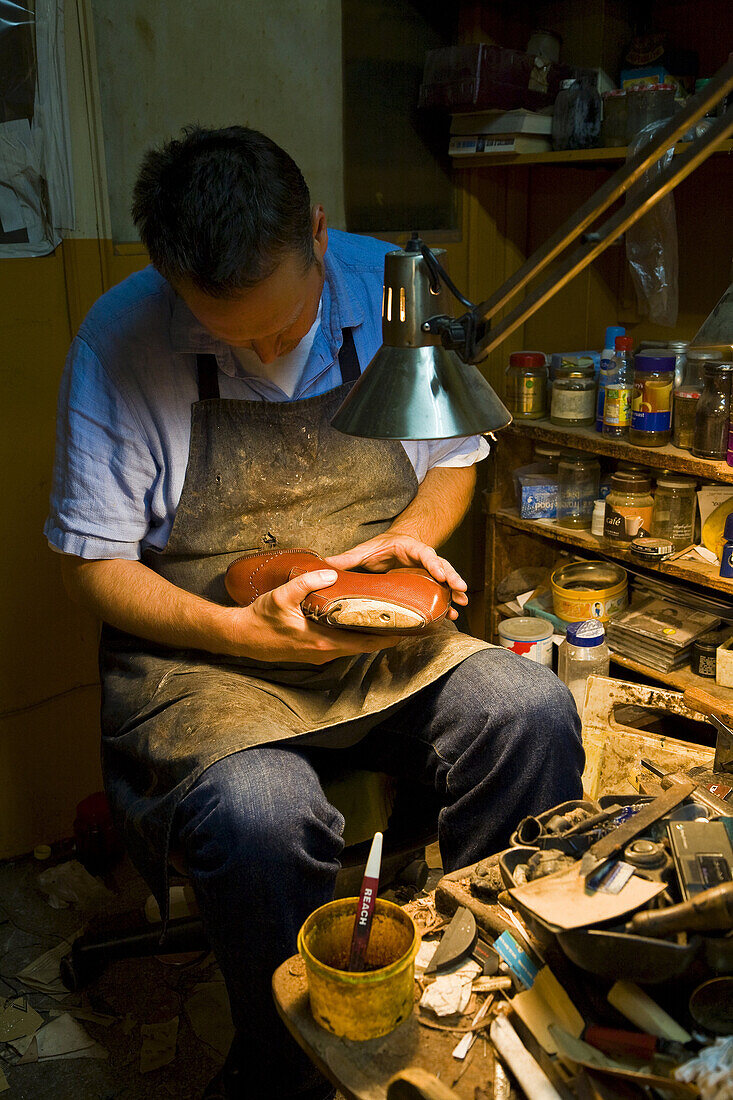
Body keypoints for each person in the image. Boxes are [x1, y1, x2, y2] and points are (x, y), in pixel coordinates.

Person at [45, 126, 584, 1100]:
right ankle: (284, 1054)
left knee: (528, 707)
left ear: (319, 236)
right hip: (208, 640)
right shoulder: (120, 338)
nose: (261, 351)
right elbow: (94, 561)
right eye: (228, 331)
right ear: (168, 279)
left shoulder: (392, 290)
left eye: (282, 321)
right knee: (261, 810)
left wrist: (407, 536)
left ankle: (476, 984)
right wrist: (237, 631)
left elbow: (451, 464)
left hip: (368, 618)